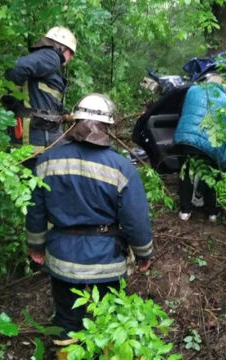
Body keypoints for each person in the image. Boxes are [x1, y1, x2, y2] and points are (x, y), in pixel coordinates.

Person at [25, 93, 153, 358]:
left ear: (75, 123)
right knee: (109, 322)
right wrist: (144, 254)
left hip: (63, 260)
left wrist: (36, 246)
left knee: (67, 324)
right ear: (107, 126)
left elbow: (35, 210)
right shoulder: (120, 167)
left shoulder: (47, 161)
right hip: (106, 262)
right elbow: (135, 218)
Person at [2, 26, 77, 170]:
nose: (72, 57)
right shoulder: (51, 56)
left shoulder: (47, 59)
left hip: (36, 138)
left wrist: (64, 113)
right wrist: (11, 97)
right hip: (38, 140)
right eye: (71, 52)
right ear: (61, 47)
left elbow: (45, 98)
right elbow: (17, 68)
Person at [173, 74, 226, 222]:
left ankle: (185, 212)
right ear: (223, 86)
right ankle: (212, 213)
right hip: (209, 144)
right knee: (211, 174)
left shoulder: (192, 90)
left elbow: (182, 110)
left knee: (186, 174)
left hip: (185, 138)